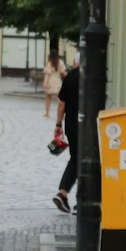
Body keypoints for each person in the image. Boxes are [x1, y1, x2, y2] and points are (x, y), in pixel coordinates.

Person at [52, 55, 80, 212]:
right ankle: (80, 201)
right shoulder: (93, 75)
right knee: (88, 160)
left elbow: (62, 102)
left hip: (71, 126)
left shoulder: (70, 76)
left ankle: (63, 193)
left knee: (76, 158)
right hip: (89, 126)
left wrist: (58, 124)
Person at [42, 49, 66, 118]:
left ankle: (47, 113)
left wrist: (45, 83)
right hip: (58, 82)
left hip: (50, 82)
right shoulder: (60, 62)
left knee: (48, 98)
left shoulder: (49, 63)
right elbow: (63, 72)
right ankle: (63, 114)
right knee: (60, 99)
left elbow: (47, 75)